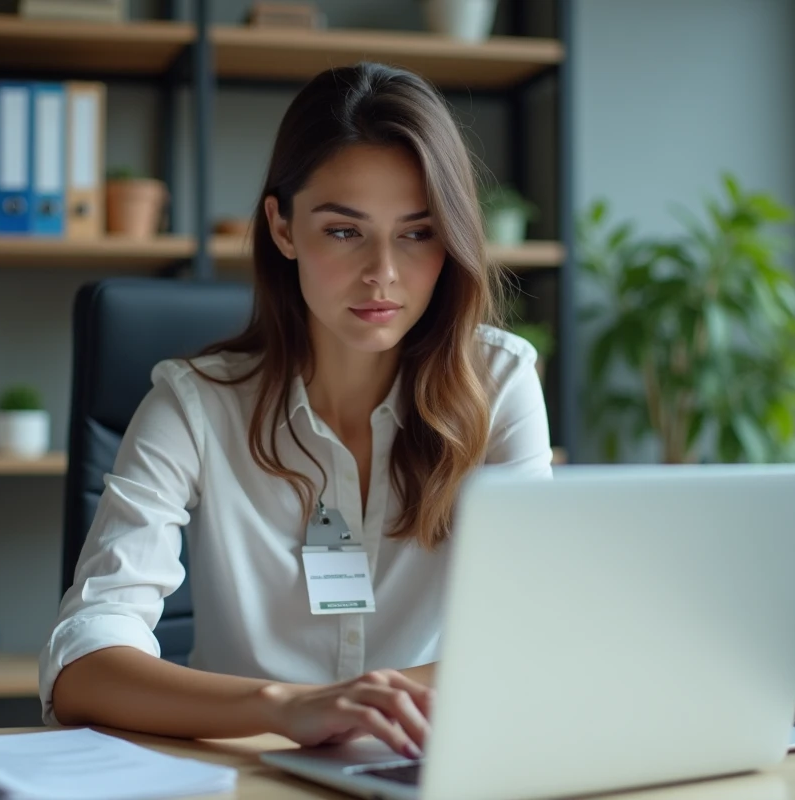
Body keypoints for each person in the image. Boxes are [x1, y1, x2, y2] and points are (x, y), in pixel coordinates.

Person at [39, 61, 553, 761]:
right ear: (282, 228)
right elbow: (82, 665)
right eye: (345, 231)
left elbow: (532, 643)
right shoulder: (193, 407)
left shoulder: (498, 384)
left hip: (428, 768)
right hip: (248, 768)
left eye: (418, 232)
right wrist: (286, 707)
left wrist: (361, 707)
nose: (384, 273)